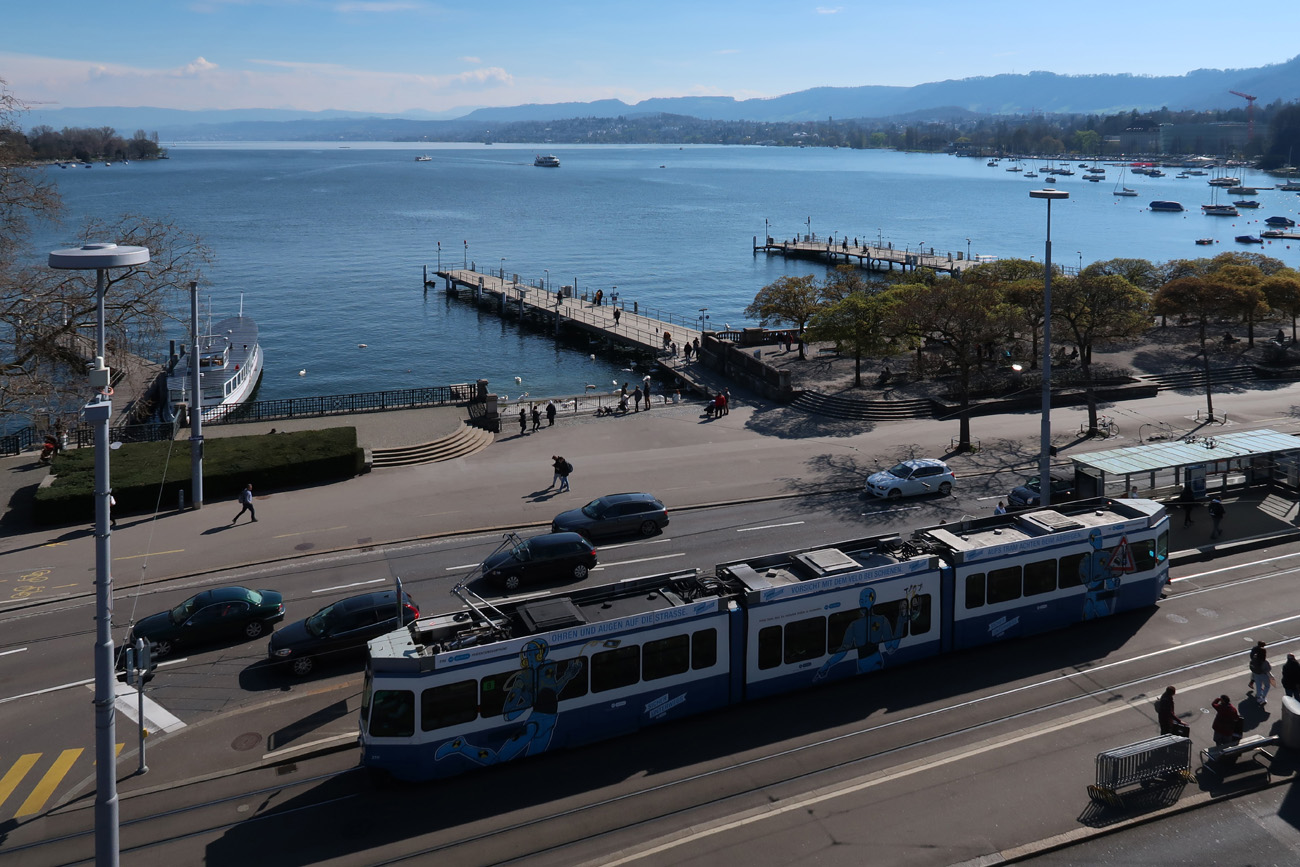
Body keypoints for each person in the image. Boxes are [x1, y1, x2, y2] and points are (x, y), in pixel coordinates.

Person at [1250, 641, 1274, 706]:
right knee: (1267, 686)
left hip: (1256, 673)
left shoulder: (1255, 658)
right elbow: (1268, 669)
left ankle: (1258, 697)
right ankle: (1263, 697)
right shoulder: (1264, 661)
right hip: (1263, 674)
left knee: (1258, 685)